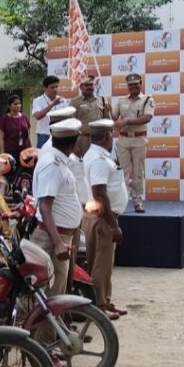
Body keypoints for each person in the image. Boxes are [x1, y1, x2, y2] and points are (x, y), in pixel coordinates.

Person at [31, 118, 84, 299]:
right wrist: (58, 243)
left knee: (57, 291)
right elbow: (45, 207)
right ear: (72, 144)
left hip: (60, 235)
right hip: (52, 237)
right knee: (50, 296)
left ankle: (53, 328)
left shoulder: (60, 160)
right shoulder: (52, 165)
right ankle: (45, 328)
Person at [83, 119, 129, 318]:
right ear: (107, 136)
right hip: (103, 218)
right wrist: (113, 225)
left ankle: (105, 301)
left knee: (103, 263)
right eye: (111, 133)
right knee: (101, 264)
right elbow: (100, 194)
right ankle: (99, 307)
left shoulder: (97, 154)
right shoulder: (99, 160)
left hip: (100, 216)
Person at [112, 73, 154, 213]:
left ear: (140, 84)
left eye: (136, 84)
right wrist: (107, 111)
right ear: (127, 86)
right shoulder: (121, 100)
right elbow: (113, 117)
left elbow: (147, 117)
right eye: (130, 85)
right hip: (123, 139)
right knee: (122, 172)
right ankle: (121, 203)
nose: (133, 87)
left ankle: (137, 202)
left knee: (138, 172)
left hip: (139, 139)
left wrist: (127, 121)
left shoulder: (147, 99)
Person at [31, 75, 69, 148]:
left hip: (59, 135)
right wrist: (52, 104)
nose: (55, 89)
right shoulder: (38, 100)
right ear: (45, 88)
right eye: (52, 87)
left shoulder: (63, 100)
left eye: (56, 87)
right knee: (43, 158)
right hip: (44, 135)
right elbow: (38, 116)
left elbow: (67, 117)